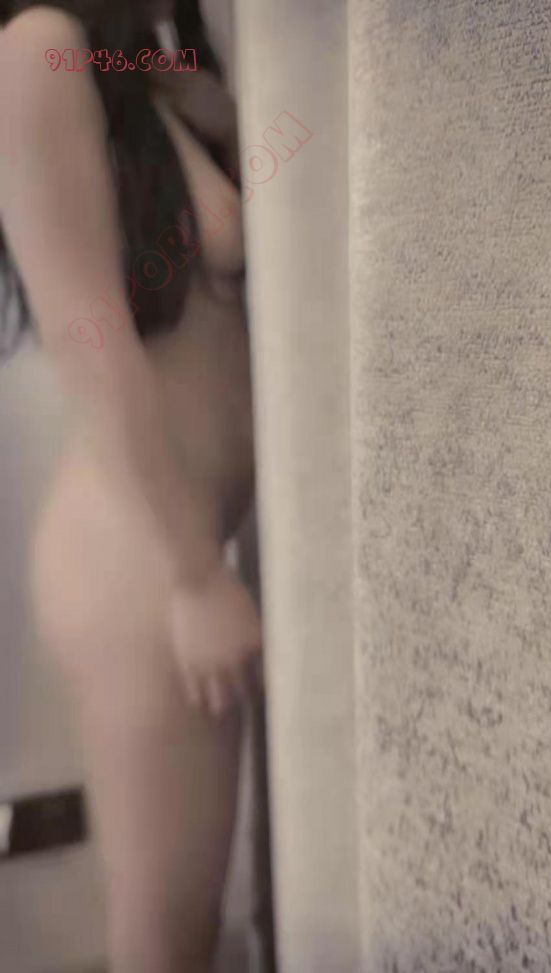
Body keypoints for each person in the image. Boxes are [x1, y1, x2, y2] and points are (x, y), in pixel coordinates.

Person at [0, 2, 264, 970]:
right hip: (141, 561)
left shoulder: (134, 63)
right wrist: (193, 574)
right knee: (166, 947)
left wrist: (213, 107)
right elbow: (86, 332)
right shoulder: (37, 50)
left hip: (170, 546)